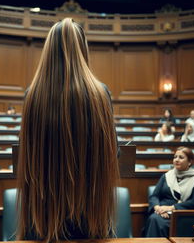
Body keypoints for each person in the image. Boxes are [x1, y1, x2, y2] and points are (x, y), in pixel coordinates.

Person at [16, 18, 120, 242]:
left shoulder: (32, 95)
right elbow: (114, 153)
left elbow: (25, 154)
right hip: (90, 215)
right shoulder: (100, 93)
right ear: (82, 50)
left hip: (42, 219)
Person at [144, 147, 194, 237]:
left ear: (189, 162)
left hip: (183, 214)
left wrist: (171, 208)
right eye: (175, 157)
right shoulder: (166, 176)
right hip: (163, 213)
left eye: (181, 157)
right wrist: (158, 208)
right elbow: (154, 196)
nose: (176, 160)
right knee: (154, 219)